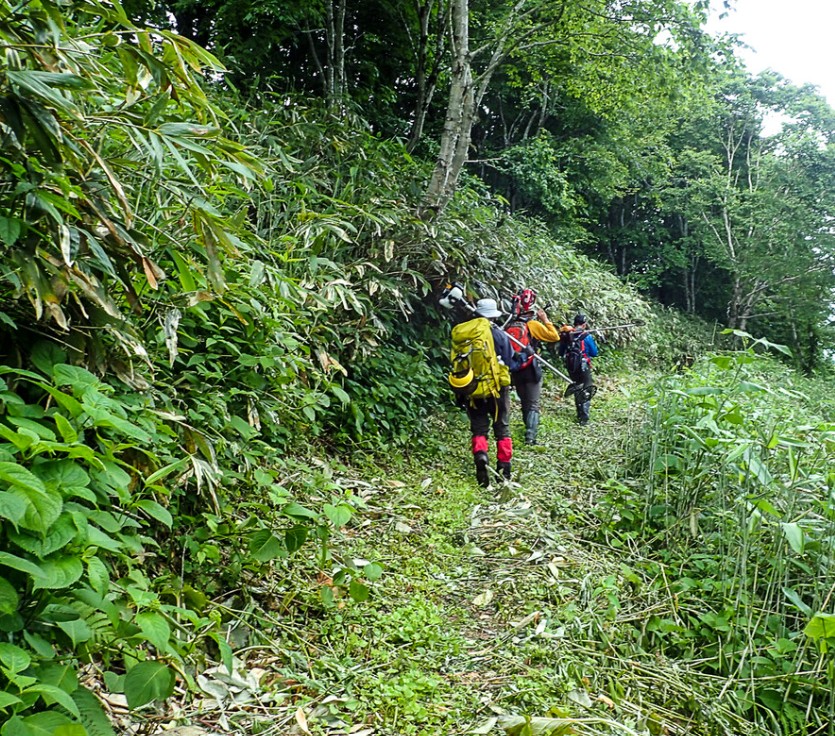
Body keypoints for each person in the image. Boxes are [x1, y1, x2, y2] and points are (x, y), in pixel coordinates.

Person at [449, 298, 518, 487]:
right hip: (496, 388)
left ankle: (481, 456)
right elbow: (511, 362)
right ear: (493, 315)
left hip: (471, 388)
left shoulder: (465, 332)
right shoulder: (499, 334)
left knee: (479, 427)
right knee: (501, 427)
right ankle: (504, 468)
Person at [505, 288, 560, 444]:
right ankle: (531, 436)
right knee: (533, 403)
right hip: (530, 367)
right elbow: (554, 336)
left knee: (524, 400)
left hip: (515, 368)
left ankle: (527, 429)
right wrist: (545, 319)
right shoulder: (533, 325)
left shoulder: (508, 324)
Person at [558, 313, 599, 426]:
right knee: (586, 389)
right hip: (584, 366)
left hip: (571, 367)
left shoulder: (567, 336)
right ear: (584, 325)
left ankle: (579, 412)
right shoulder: (586, 336)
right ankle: (584, 418)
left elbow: (561, 352)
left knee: (577, 387)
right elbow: (595, 353)